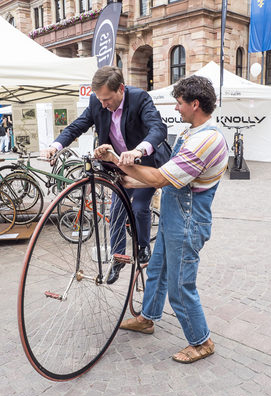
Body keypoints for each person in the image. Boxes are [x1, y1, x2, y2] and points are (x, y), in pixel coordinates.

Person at [95, 75, 229, 363]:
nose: (176, 108)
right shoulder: (190, 133)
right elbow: (164, 179)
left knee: (180, 285)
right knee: (156, 269)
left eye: (179, 103)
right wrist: (130, 183)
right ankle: (147, 317)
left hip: (189, 221)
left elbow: (159, 176)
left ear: (195, 104)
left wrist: (120, 160)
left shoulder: (206, 140)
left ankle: (201, 341)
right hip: (174, 216)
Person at [42, 66, 171, 283]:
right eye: (99, 99)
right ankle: (118, 258)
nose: (103, 105)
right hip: (117, 167)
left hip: (144, 165)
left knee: (139, 207)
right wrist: (55, 146)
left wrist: (138, 150)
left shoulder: (139, 98)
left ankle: (142, 246)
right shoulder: (97, 102)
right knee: (116, 212)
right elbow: (76, 127)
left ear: (121, 89)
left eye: (107, 99)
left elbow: (158, 128)